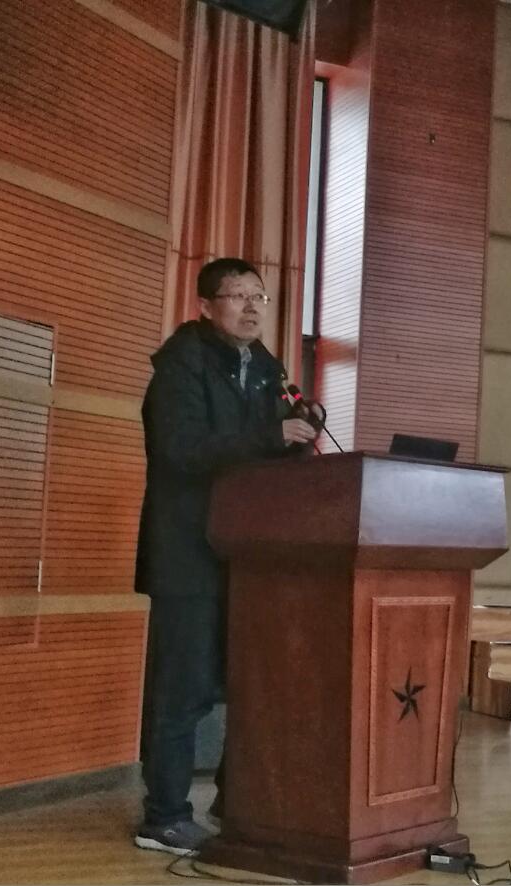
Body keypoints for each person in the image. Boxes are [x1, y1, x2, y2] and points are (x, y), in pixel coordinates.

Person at [132, 258, 319, 855]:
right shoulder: (181, 365)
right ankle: (163, 817)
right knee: (182, 690)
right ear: (206, 306)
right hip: (187, 553)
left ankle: (236, 804)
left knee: (249, 684)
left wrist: (301, 430)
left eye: (258, 296)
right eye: (237, 296)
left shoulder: (266, 370)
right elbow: (180, 449)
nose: (251, 307)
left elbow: (266, 454)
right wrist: (271, 437)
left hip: (248, 555)